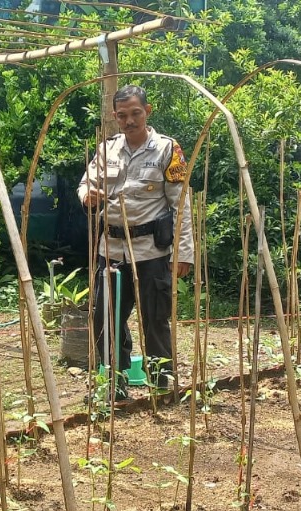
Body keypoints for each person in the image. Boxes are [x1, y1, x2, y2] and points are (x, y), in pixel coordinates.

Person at [77, 85, 193, 398]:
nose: (129, 121)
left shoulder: (167, 149)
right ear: (115, 117)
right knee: (105, 316)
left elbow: (181, 204)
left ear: (147, 111)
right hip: (111, 248)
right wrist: (87, 196)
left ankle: (160, 384)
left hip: (151, 250)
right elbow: (86, 182)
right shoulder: (107, 149)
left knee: (155, 318)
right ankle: (114, 383)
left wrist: (183, 253)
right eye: (122, 115)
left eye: (135, 113)